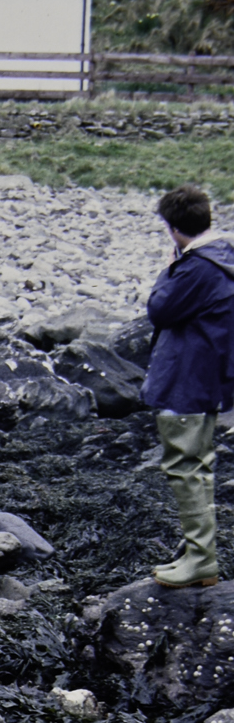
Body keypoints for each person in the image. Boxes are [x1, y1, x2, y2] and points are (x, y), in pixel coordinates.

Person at [144, 184, 234, 588]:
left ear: (174, 228)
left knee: (185, 467)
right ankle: (199, 553)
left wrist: (170, 267)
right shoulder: (225, 257)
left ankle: (200, 559)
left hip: (187, 379)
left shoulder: (197, 266)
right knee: (199, 467)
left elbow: (159, 310)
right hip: (208, 378)